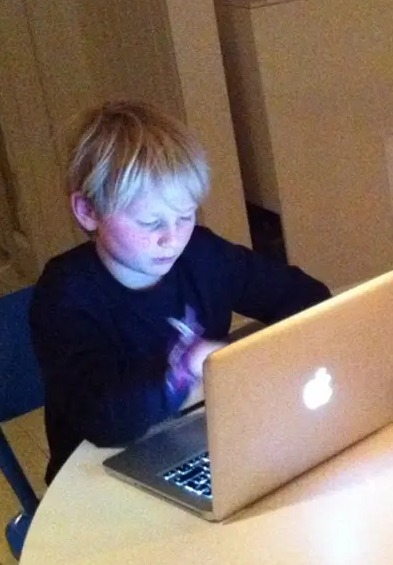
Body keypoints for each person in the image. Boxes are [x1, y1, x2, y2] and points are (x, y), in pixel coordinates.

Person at [31, 100, 330, 483]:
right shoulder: (67, 296)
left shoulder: (202, 255)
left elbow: (305, 298)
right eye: (151, 221)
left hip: (199, 442)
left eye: (185, 216)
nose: (172, 239)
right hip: (99, 477)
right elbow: (105, 420)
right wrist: (186, 369)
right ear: (88, 211)